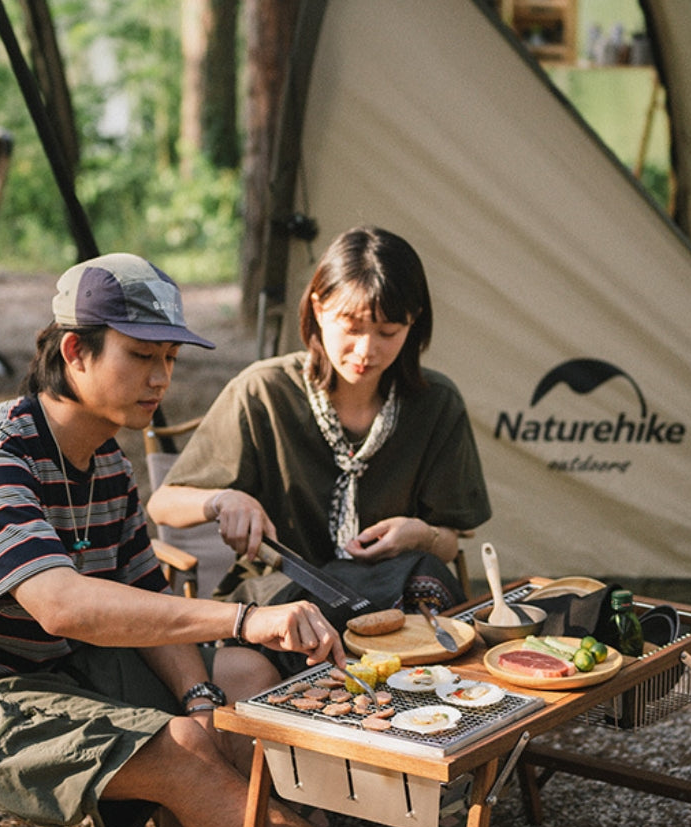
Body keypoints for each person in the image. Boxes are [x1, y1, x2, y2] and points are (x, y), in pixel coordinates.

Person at [0, 252, 591, 827]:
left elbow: (140, 587)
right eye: (141, 356)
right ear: (75, 351)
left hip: (39, 671)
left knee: (231, 689)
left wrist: (204, 699)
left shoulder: (102, 463)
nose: (162, 379)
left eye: (169, 357)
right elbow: (64, 605)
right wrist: (245, 616)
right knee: (183, 745)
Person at [147, 225, 491, 657]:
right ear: (319, 307)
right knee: (259, 657)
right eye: (351, 326)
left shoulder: (435, 404)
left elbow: (448, 542)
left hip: (392, 599)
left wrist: (419, 534)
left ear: (413, 322)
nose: (366, 350)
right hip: (284, 596)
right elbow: (162, 503)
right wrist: (223, 501)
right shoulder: (264, 392)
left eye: (388, 332)